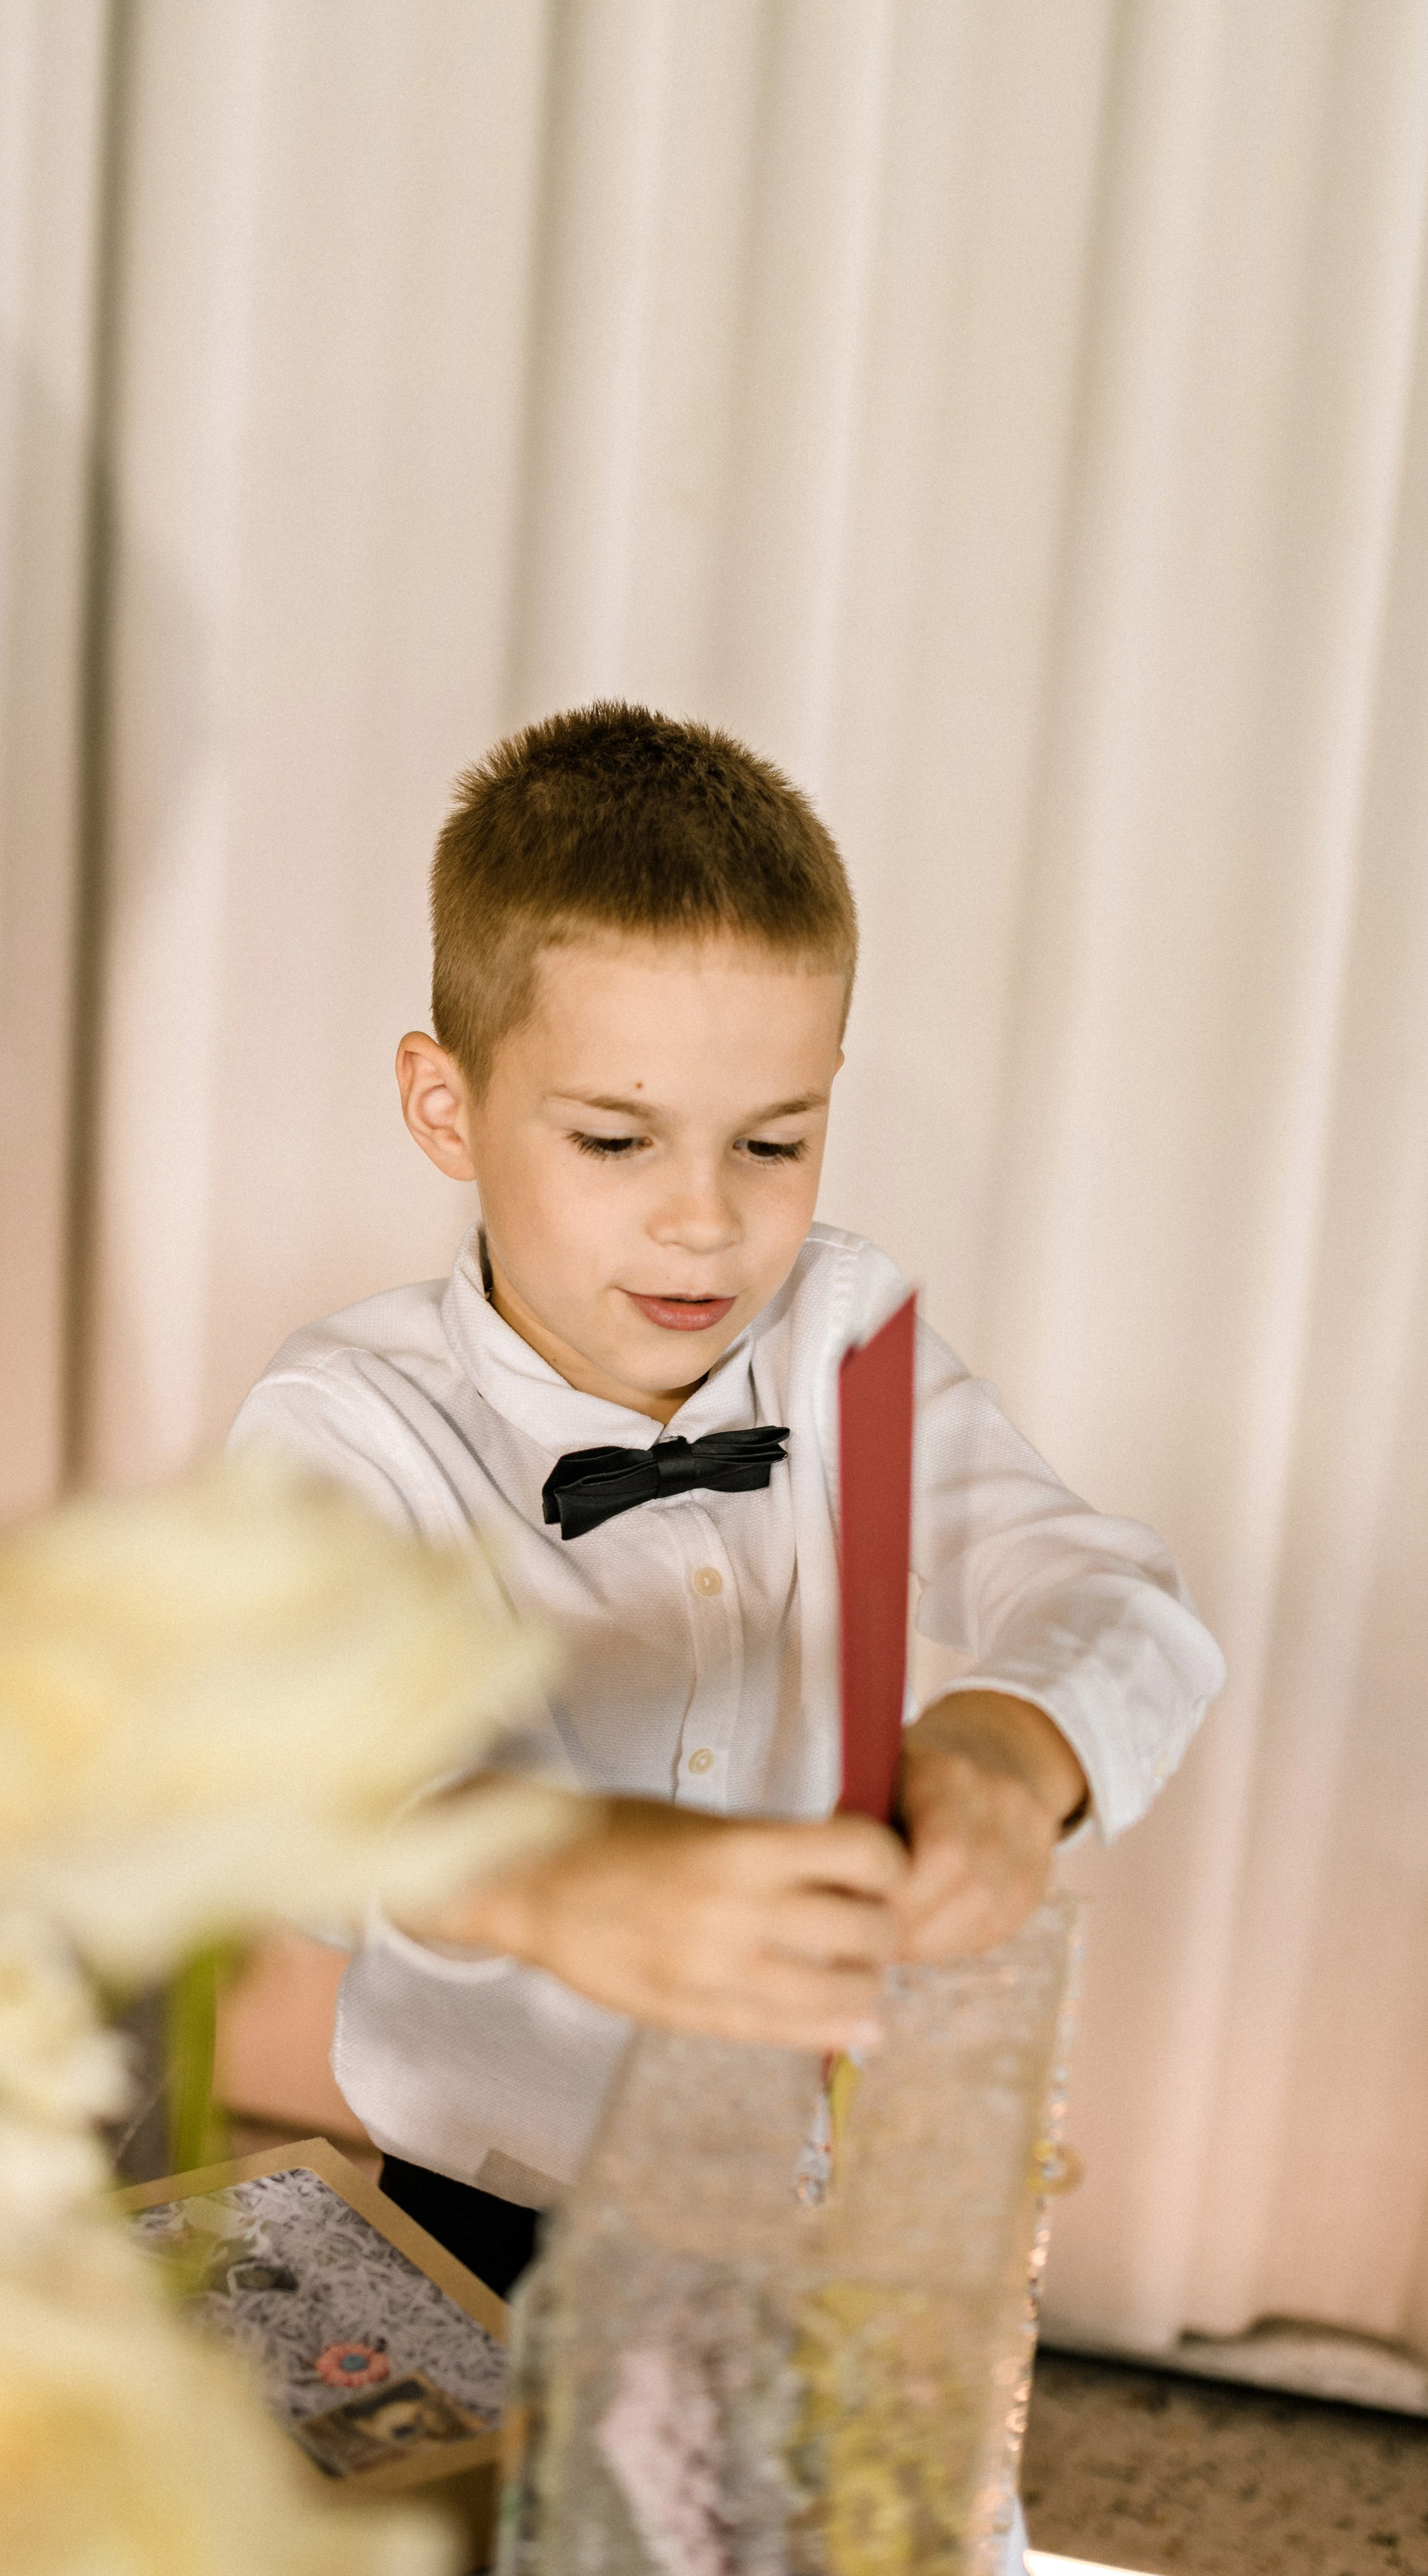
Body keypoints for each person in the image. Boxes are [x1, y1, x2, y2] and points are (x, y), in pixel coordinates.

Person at [229, 701, 1225, 2309]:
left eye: (772, 1142)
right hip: (492, 2210)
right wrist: (554, 1875)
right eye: (616, 1139)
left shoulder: (850, 1342)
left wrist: (1005, 1753)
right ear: (446, 1106)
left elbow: (1116, 1603)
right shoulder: (349, 1427)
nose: (702, 1222)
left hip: (820, 2184)